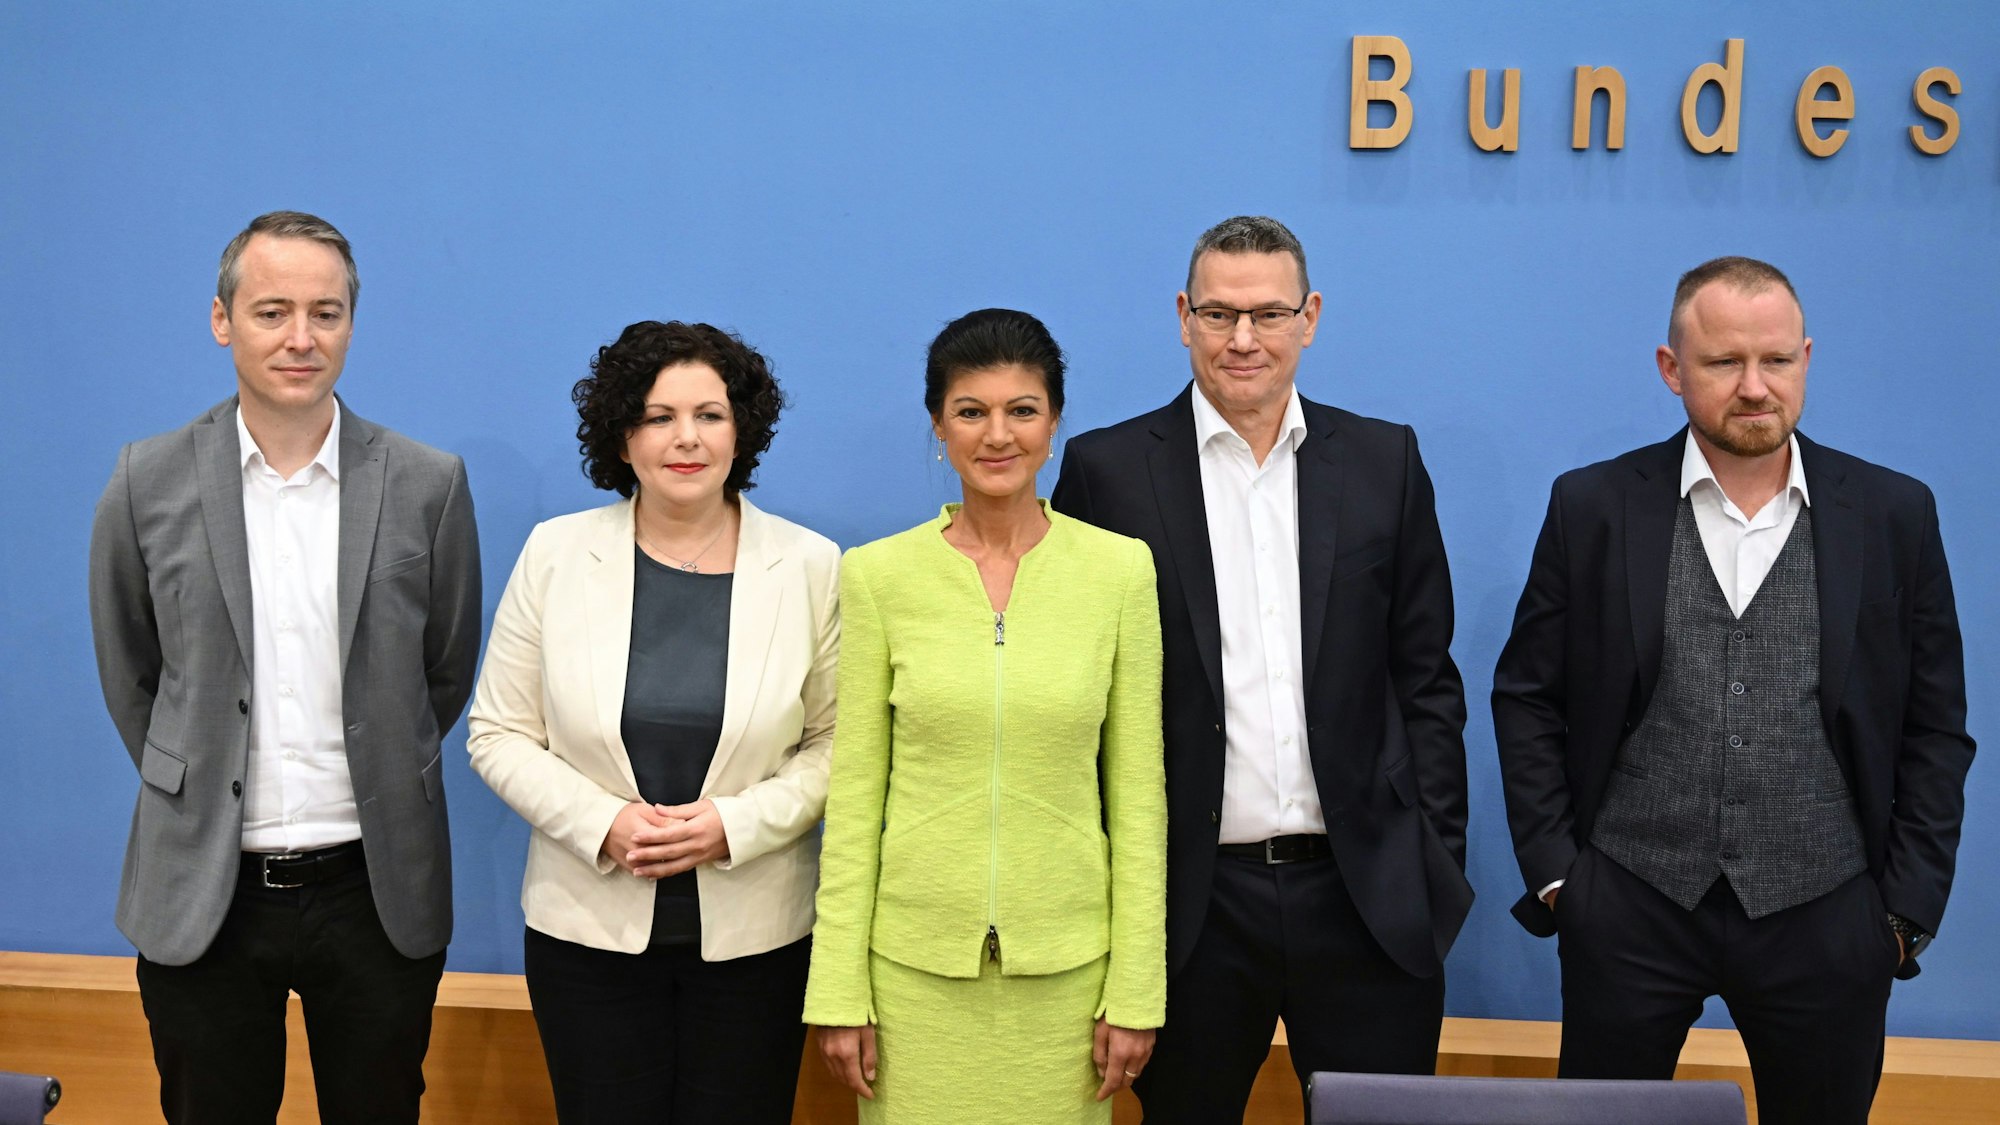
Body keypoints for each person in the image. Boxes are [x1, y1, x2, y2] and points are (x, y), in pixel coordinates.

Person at [1491, 257, 1976, 1124]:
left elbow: (1936, 726)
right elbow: (1528, 694)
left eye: (1776, 360)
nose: (1755, 386)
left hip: (1829, 912)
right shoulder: (1592, 505)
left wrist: (1903, 911)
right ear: (1672, 369)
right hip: (1630, 903)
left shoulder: (1894, 513)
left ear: (1806, 359)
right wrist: (1563, 878)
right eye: (1724, 362)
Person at [1052, 215, 1473, 1119]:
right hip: (1195, 907)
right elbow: (1081, 699)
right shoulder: (1108, 473)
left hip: (1365, 896)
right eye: (1219, 313)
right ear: (1183, 316)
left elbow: (1426, 680)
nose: (1243, 338)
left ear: (1309, 317)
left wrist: (1431, 857)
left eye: (1269, 314)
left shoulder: (1384, 461)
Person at [87, 210, 483, 1123]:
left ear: (350, 322)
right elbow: (131, 670)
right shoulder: (147, 479)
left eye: (325, 312)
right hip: (205, 890)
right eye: (272, 312)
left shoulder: (428, 483)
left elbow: (444, 669)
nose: (301, 338)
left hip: (375, 889)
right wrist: (194, 775)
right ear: (222, 319)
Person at [467, 320, 838, 1124]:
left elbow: (836, 744)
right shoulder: (556, 554)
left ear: (742, 430)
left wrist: (733, 824)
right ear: (621, 435)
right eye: (658, 416)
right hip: (585, 940)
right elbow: (497, 732)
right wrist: (604, 823)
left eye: (709, 414)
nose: (686, 438)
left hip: (757, 944)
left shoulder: (812, 566)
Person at [805, 309, 1166, 1123]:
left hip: (1070, 980)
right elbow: (855, 798)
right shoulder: (878, 576)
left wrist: (1137, 987)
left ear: (1054, 422)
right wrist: (837, 987)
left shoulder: (1119, 572)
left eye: (1022, 410)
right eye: (971, 410)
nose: (997, 434)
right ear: (939, 425)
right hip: (911, 978)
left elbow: (1139, 799)